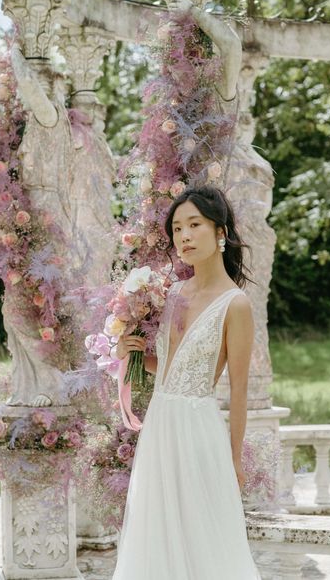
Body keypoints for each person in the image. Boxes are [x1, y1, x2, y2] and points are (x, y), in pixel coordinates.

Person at [110, 185, 262, 580]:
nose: (185, 236)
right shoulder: (172, 293)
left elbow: (239, 389)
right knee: (156, 531)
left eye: (195, 225)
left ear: (220, 233)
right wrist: (134, 352)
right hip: (160, 426)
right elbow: (169, 369)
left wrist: (234, 460)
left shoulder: (236, 304)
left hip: (199, 430)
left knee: (204, 536)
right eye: (177, 228)